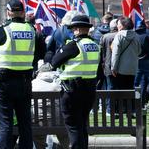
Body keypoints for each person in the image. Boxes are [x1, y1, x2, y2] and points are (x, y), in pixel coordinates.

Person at [0, 0, 44, 149]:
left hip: (4, 83)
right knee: (25, 123)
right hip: (24, 81)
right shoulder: (33, 30)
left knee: (5, 123)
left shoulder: (3, 30)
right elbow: (41, 53)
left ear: (9, 12)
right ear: (23, 12)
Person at [51, 14, 101, 149]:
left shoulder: (74, 45)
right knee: (82, 125)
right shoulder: (95, 45)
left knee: (73, 127)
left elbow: (54, 61)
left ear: (77, 29)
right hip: (89, 90)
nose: (72, 32)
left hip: (72, 91)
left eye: (73, 29)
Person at [110, 17, 141, 90]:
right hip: (133, 69)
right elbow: (139, 51)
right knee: (129, 91)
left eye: (118, 24)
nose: (117, 26)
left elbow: (115, 53)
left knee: (120, 93)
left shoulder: (119, 35)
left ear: (122, 26)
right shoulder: (136, 36)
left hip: (120, 70)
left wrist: (113, 68)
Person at [99, 18, 119, 112]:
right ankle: (115, 108)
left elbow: (101, 52)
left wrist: (102, 63)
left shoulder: (105, 36)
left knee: (109, 87)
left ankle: (109, 109)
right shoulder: (119, 36)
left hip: (107, 65)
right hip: (119, 66)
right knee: (119, 87)